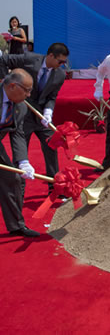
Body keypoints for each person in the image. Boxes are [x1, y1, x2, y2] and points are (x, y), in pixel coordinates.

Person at [2, 43, 69, 188]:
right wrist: (4, 81)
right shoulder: (30, 59)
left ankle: (55, 187)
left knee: (51, 146)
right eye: (60, 61)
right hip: (22, 115)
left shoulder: (60, 75)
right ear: (51, 56)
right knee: (20, 152)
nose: (62, 65)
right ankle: (18, 189)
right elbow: (4, 59)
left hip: (41, 117)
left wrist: (48, 112)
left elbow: (52, 96)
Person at [0, 69, 39, 237]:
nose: (29, 95)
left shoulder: (21, 107)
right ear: (13, 86)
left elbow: (18, 133)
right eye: (27, 90)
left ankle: (16, 225)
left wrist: (23, 161)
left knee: (12, 178)